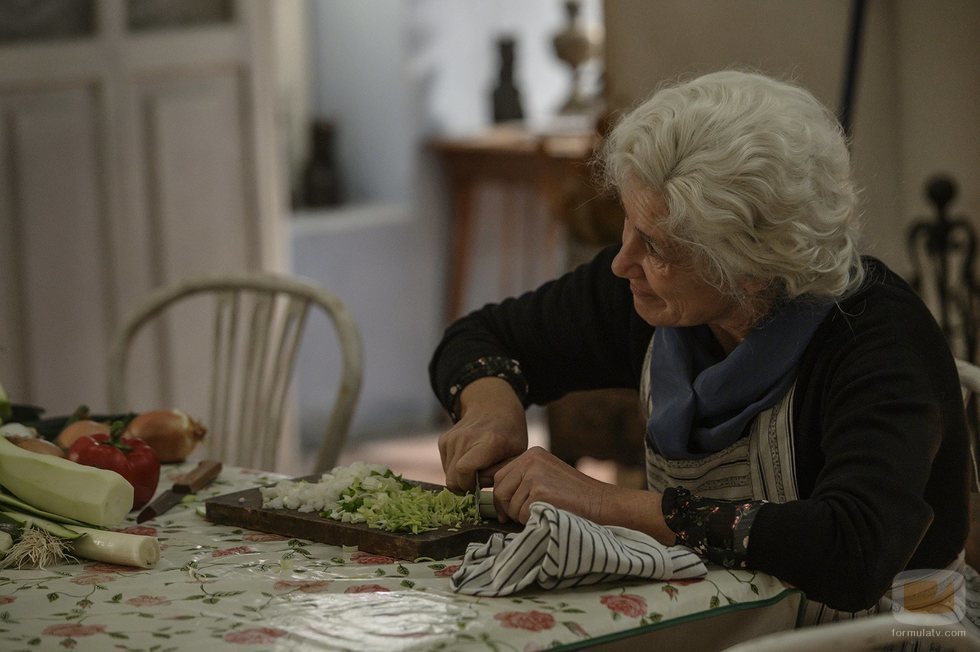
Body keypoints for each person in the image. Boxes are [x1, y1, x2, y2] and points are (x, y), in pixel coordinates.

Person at [428, 70, 971, 618]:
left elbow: (853, 550)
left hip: (896, 628)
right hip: (730, 618)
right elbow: (484, 338)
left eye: (657, 246)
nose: (622, 262)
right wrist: (491, 406)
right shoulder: (648, 298)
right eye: (629, 225)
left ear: (750, 270)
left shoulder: (880, 342)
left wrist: (603, 503)